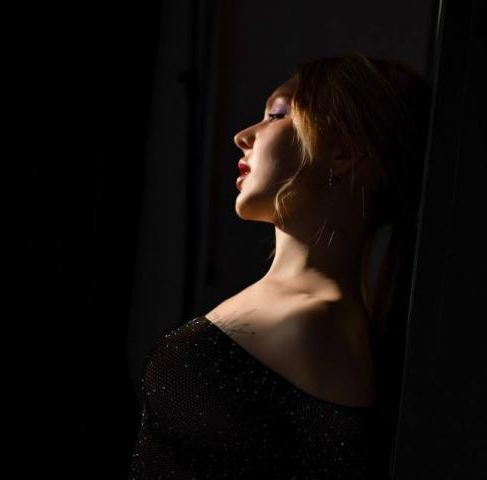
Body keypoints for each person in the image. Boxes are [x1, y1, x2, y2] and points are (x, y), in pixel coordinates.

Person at [128, 52, 431, 479]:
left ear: (343, 153)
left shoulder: (316, 326)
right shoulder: (313, 319)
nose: (242, 136)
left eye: (276, 114)